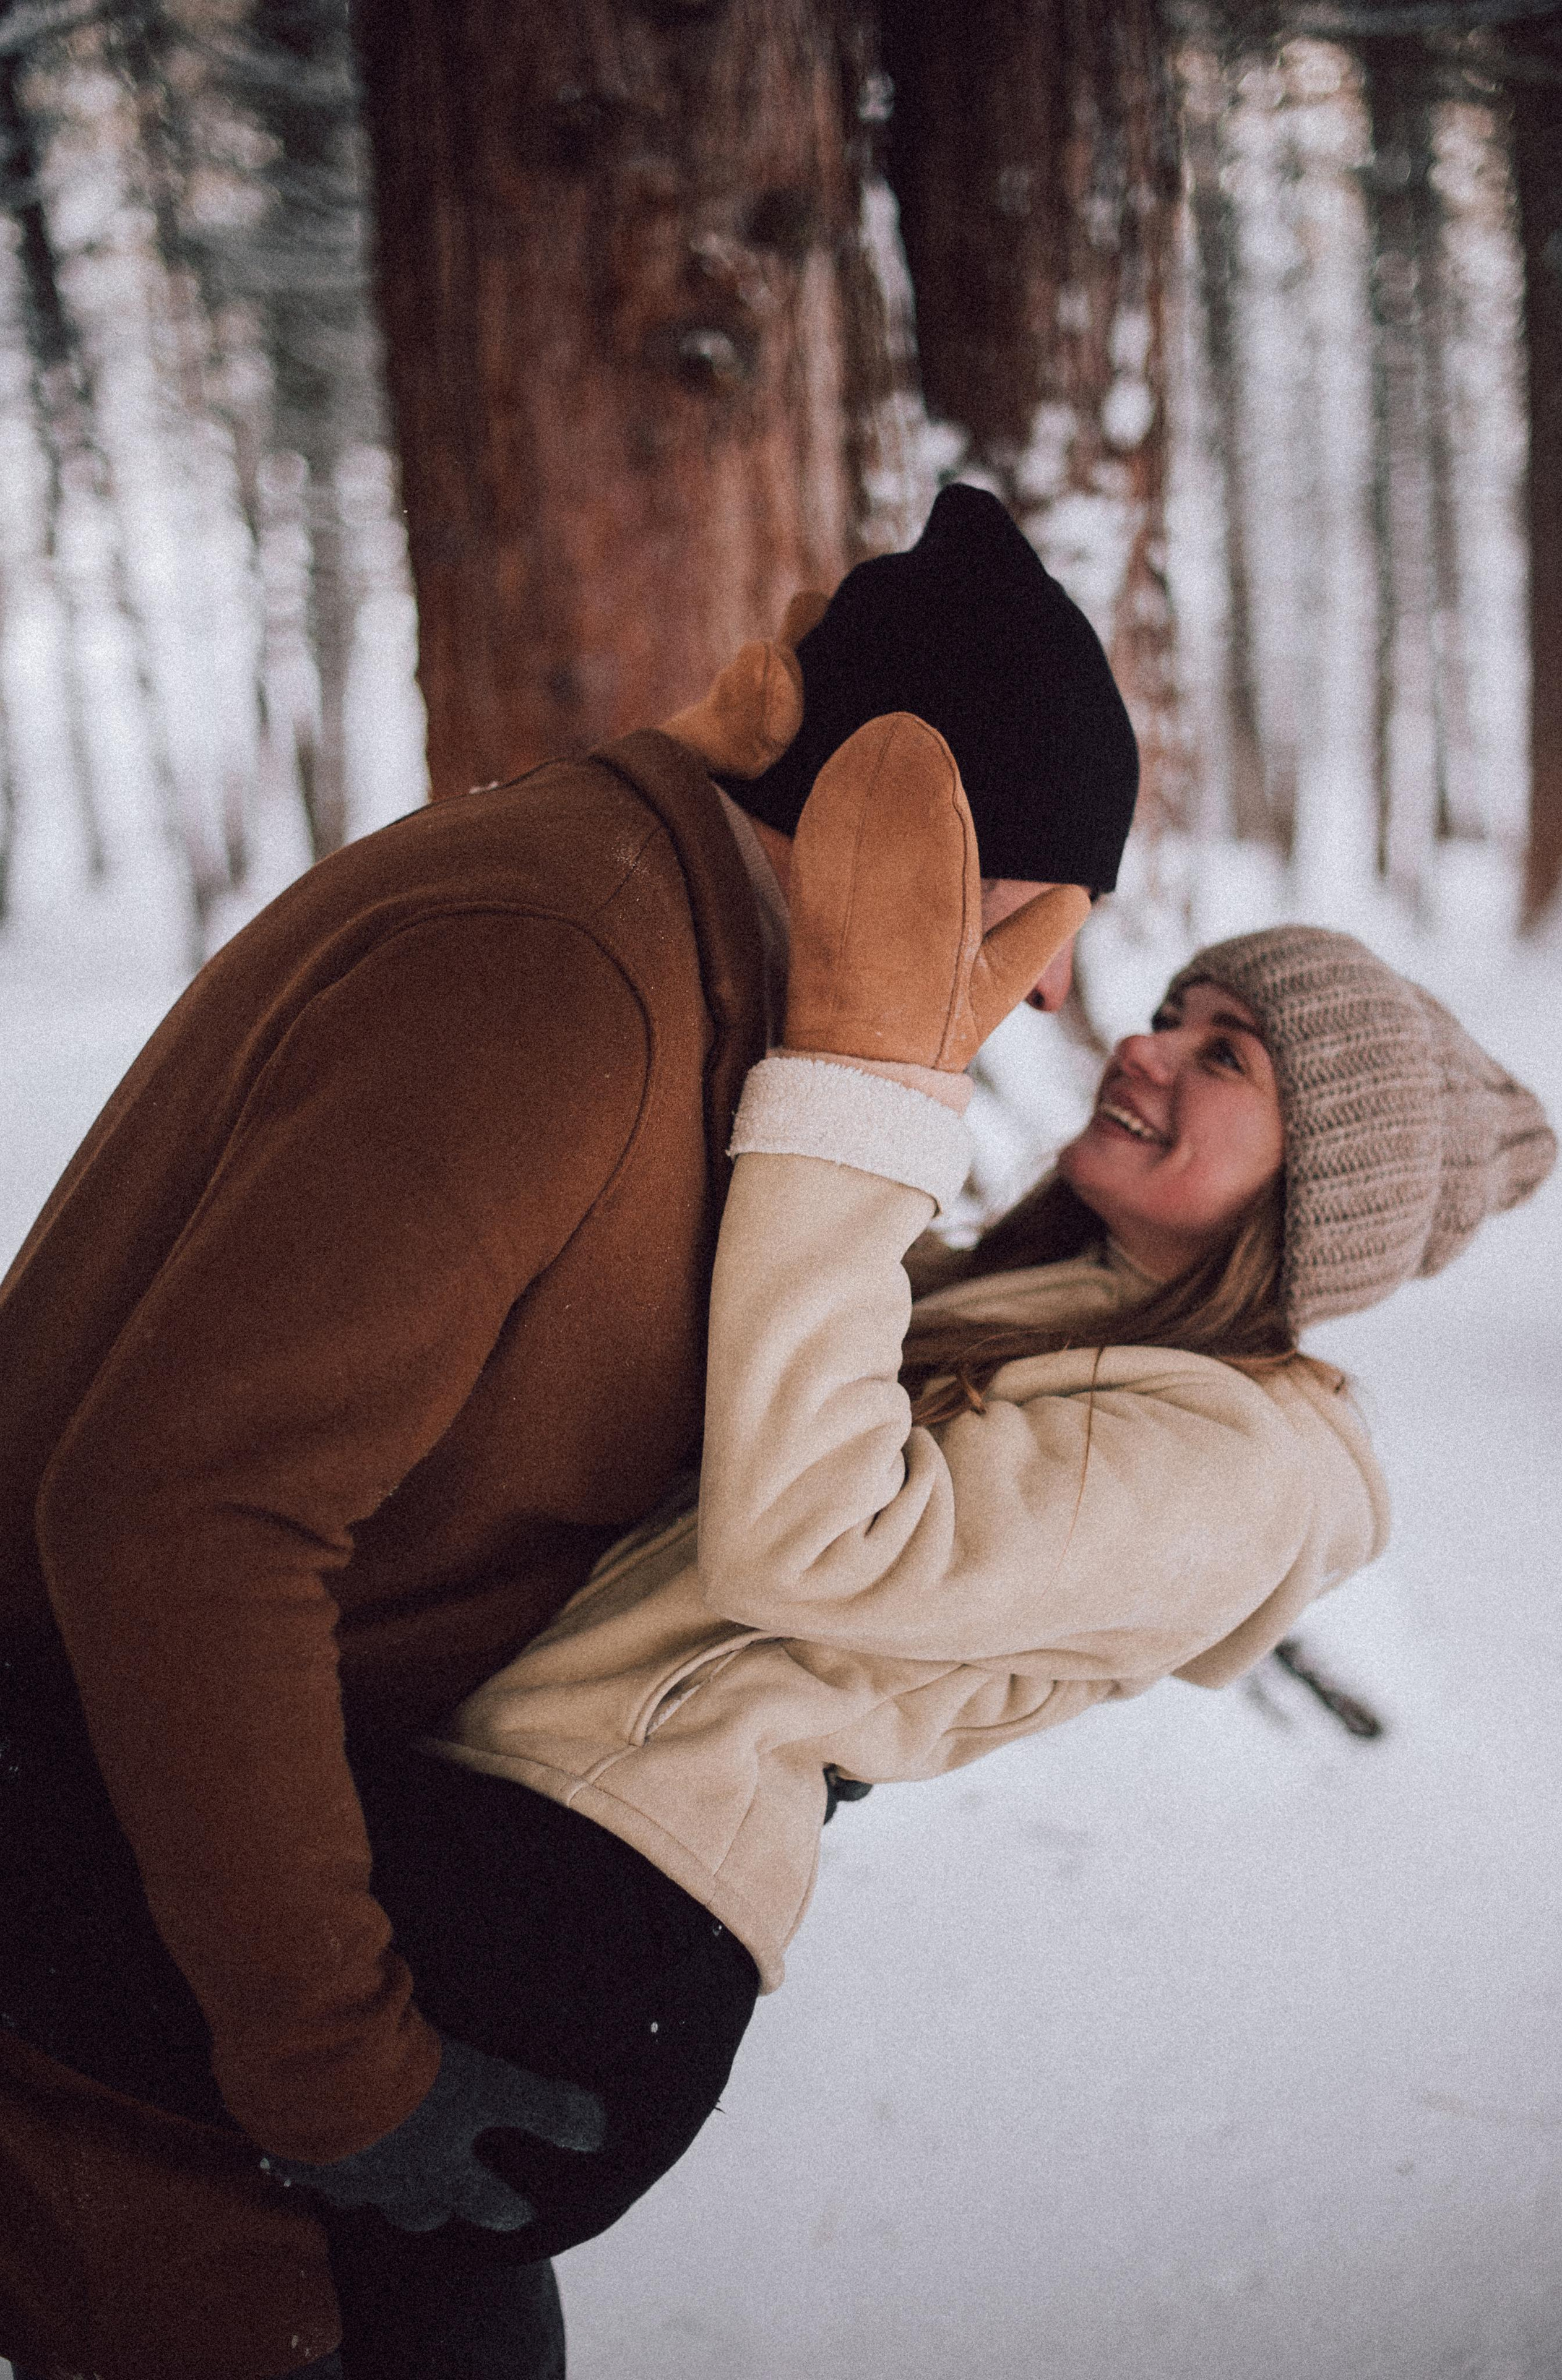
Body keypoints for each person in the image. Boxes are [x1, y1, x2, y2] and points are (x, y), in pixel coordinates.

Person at [249, 714, 1554, 2374]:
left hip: (581, 1919)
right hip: (510, 1831)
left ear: (1321, 1200)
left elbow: (814, 1544)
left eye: (1227, 1056)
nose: (1143, 1047)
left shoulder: (1245, 1466)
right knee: (353, 2298)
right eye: (1173, 1013)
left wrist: (866, 1087)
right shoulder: (1057, 1308)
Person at [0, 488, 1140, 2380]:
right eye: (1036, 927)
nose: (1033, 998)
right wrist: (334, 2062)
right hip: (116, 1871)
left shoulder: (691, 965)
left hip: (252, 1853)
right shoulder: (559, 963)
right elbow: (181, 1518)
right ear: (946, 865)